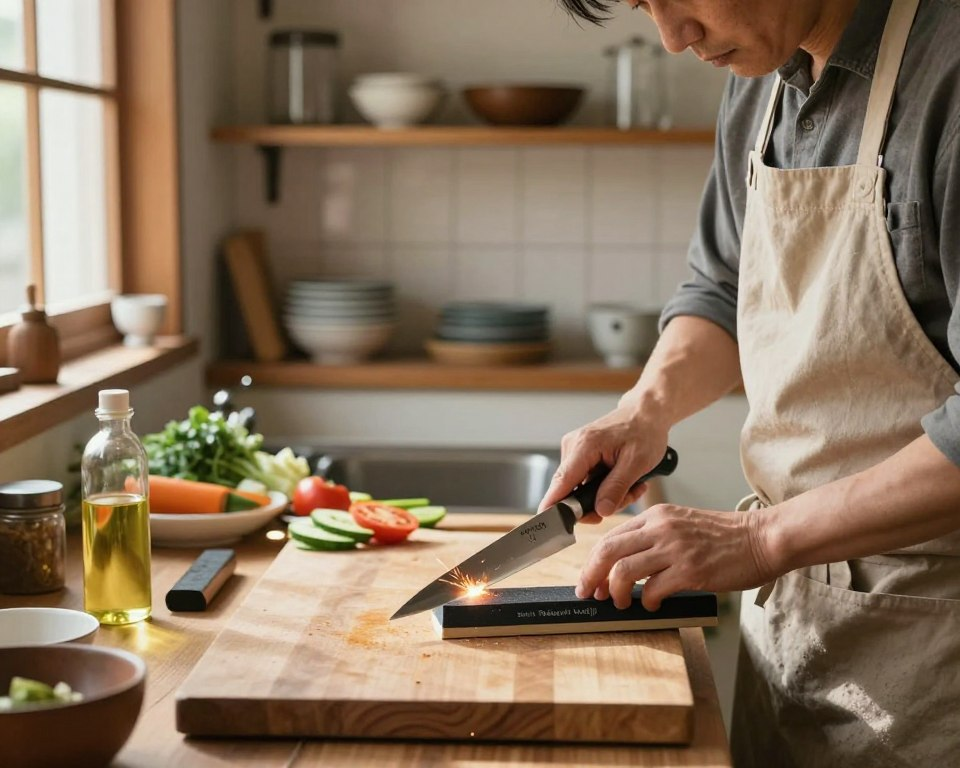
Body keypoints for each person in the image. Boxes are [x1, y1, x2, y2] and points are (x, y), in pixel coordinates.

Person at [545, 0, 960, 765]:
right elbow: (722, 289)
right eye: (644, 6)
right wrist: (644, 410)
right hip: (794, 630)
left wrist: (764, 539)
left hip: (936, 650)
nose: (674, 38)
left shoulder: (951, 72)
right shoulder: (760, 76)